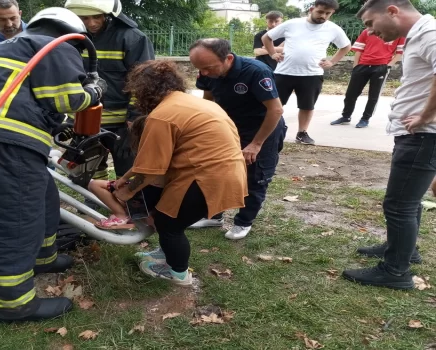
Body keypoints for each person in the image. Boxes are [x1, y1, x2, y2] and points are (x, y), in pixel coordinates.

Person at [0, 7, 105, 322]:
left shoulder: (2, 47)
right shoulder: (56, 46)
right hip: (4, 139)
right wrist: (95, 91)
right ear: (72, 34)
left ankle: (44, 257)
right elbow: (64, 100)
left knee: (42, 195)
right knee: (14, 219)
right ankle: (14, 305)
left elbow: (25, 96)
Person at [111, 60, 248, 285]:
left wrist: (124, 193)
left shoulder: (161, 115)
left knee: (168, 224)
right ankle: (166, 255)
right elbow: (152, 162)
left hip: (205, 178)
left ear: (145, 90)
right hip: (229, 172)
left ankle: (178, 273)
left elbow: (151, 171)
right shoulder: (191, 103)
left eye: (136, 93)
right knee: (172, 219)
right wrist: (126, 178)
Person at [342, 0, 436, 290]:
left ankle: (395, 271)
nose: (370, 32)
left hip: (424, 134)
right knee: (409, 200)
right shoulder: (420, 35)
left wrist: (424, 115)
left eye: (371, 24)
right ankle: (403, 250)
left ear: (392, 11)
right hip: (416, 133)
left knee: (399, 204)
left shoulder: (430, 34)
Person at [190, 38, 287, 241]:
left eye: (208, 67)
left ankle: (243, 222)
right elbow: (209, 102)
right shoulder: (206, 72)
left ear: (228, 58)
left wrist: (256, 144)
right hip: (230, 128)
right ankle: (214, 215)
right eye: (199, 69)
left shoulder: (256, 71)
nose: (204, 73)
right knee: (218, 171)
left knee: (254, 176)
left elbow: (275, 109)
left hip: (262, 129)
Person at [65, 0, 155, 210]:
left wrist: (134, 117)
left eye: (96, 17)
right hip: (84, 117)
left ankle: (132, 208)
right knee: (89, 165)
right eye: (85, 18)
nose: (91, 23)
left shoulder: (132, 38)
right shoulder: (72, 38)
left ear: (108, 15)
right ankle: (93, 205)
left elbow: (144, 81)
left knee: (128, 166)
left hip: (122, 121)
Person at [262, 0, 351, 145]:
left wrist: (332, 61)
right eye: (320, 12)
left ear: (332, 13)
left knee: (307, 106)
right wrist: (272, 54)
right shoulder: (293, 23)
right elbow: (266, 37)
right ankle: (269, 131)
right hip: (284, 72)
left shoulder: (333, 29)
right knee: (274, 105)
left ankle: (302, 133)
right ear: (312, 9)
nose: (323, 16)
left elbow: (346, 46)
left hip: (312, 74)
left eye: (328, 13)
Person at [330, 29, 405, 128]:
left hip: (381, 67)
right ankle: (346, 116)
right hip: (362, 65)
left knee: (373, 95)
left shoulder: (398, 33)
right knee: (351, 94)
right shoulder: (368, 31)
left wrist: (388, 66)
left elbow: (399, 53)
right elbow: (359, 49)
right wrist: (356, 66)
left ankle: (365, 118)